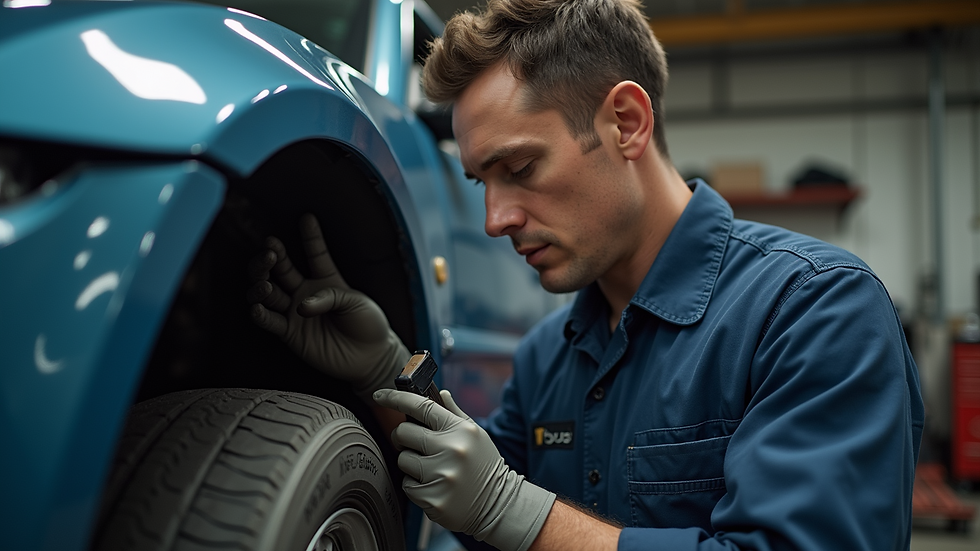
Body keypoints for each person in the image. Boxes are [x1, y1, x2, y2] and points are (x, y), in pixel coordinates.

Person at [247, 0, 924, 549]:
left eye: (519, 169)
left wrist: (518, 511)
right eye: (481, 181)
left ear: (625, 122)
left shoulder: (813, 309)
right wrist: (388, 374)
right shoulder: (550, 356)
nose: (494, 218)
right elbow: (480, 506)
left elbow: (508, 508)